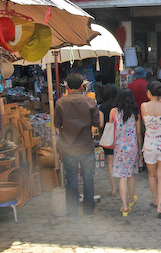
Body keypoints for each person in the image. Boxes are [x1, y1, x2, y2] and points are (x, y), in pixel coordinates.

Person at [54, 73, 100, 221]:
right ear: (82, 86)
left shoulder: (60, 102)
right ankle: (89, 211)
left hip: (69, 147)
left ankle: (72, 215)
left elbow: (56, 124)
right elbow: (96, 123)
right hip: (86, 145)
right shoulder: (90, 102)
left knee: (72, 181)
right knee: (88, 179)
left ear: (67, 86)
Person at [141, 81, 161, 218]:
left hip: (150, 144)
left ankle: (155, 200)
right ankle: (160, 206)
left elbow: (145, 123)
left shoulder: (144, 106)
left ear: (149, 92)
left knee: (152, 175)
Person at [110, 88, 142, 216]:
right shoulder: (135, 112)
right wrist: (140, 150)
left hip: (119, 147)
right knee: (131, 174)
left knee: (122, 177)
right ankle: (131, 198)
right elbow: (138, 133)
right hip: (132, 147)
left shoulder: (113, 111)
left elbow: (111, 128)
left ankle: (124, 207)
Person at [98, 84, 118, 195]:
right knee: (119, 161)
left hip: (109, 137)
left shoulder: (102, 107)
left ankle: (113, 188)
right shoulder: (119, 106)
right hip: (120, 136)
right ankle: (121, 185)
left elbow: (101, 124)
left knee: (110, 162)